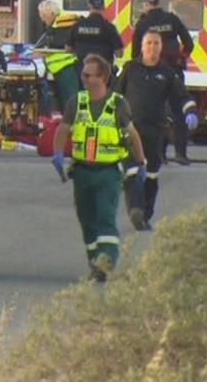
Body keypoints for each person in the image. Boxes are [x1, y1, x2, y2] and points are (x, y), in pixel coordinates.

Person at [51, 54, 146, 282]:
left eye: (87, 74)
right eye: (82, 74)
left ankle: (106, 262)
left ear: (101, 77)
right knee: (87, 220)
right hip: (82, 172)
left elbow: (132, 135)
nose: (82, 78)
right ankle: (95, 262)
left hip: (108, 173)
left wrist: (141, 162)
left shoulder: (117, 105)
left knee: (105, 217)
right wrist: (57, 154)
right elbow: (63, 129)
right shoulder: (77, 102)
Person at [113, 30, 197, 230]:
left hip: (156, 131)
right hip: (131, 129)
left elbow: (182, 96)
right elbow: (115, 95)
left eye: (156, 43)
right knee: (132, 170)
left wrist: (190, 111)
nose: (152, 47)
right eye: (148, 43)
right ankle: (135, 209)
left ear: (161, 47)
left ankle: (145, 214)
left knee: (151, 175)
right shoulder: (130, 69)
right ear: (142, 47)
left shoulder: (167, 73)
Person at [130, 0, 196, 164]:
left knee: (157, 113)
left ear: (146, 4)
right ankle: (181, 154)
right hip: (174, 71)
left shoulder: (143, 23)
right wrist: (181, 58)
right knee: (178, 111)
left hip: (152, 74)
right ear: (158, 2)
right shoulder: (172, 19)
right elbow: (189, 43)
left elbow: (136, 53)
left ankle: (160, 153)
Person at [34, 0, 79, 113]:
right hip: (60, 70)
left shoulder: (62, 25)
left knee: (70, 103)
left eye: (43, 15)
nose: (41, 18)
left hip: (66, 68)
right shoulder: (59, 24)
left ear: (52, 13)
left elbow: (57, 46)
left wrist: (41, 52)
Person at [69, 0, 123, 77]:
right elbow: (119, 54)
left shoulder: (77, 25)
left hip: (82, 72)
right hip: (103, 73)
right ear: (103, 7)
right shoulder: (109, 28)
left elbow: (68, 48)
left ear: (89, 6)